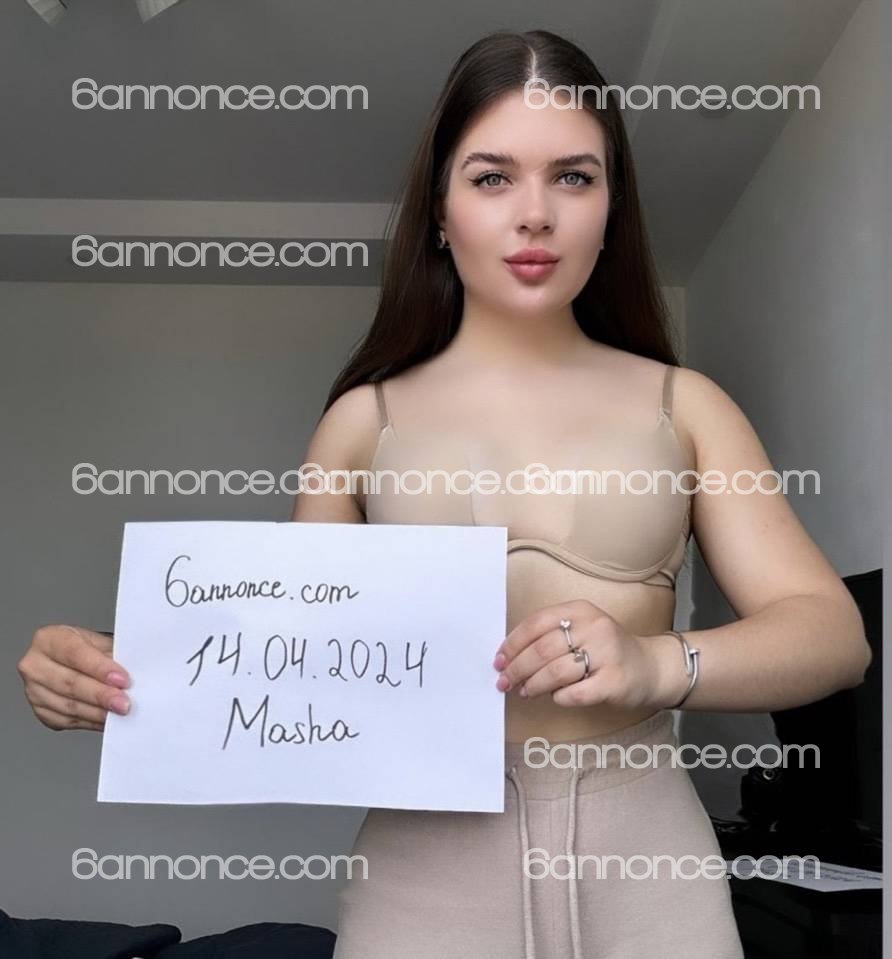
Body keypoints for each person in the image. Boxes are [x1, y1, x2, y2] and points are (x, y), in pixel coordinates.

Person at [18, 28, 871, 959]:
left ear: (611, 207)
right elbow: (286, 662)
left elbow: (835, 637)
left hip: (651, 861)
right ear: (439, 209)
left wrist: (659, 663)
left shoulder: (688, 406)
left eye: (574, 177)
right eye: (492, 177)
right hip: (424, 875)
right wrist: (122, 673)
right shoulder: (363, 422)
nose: (535, 214)